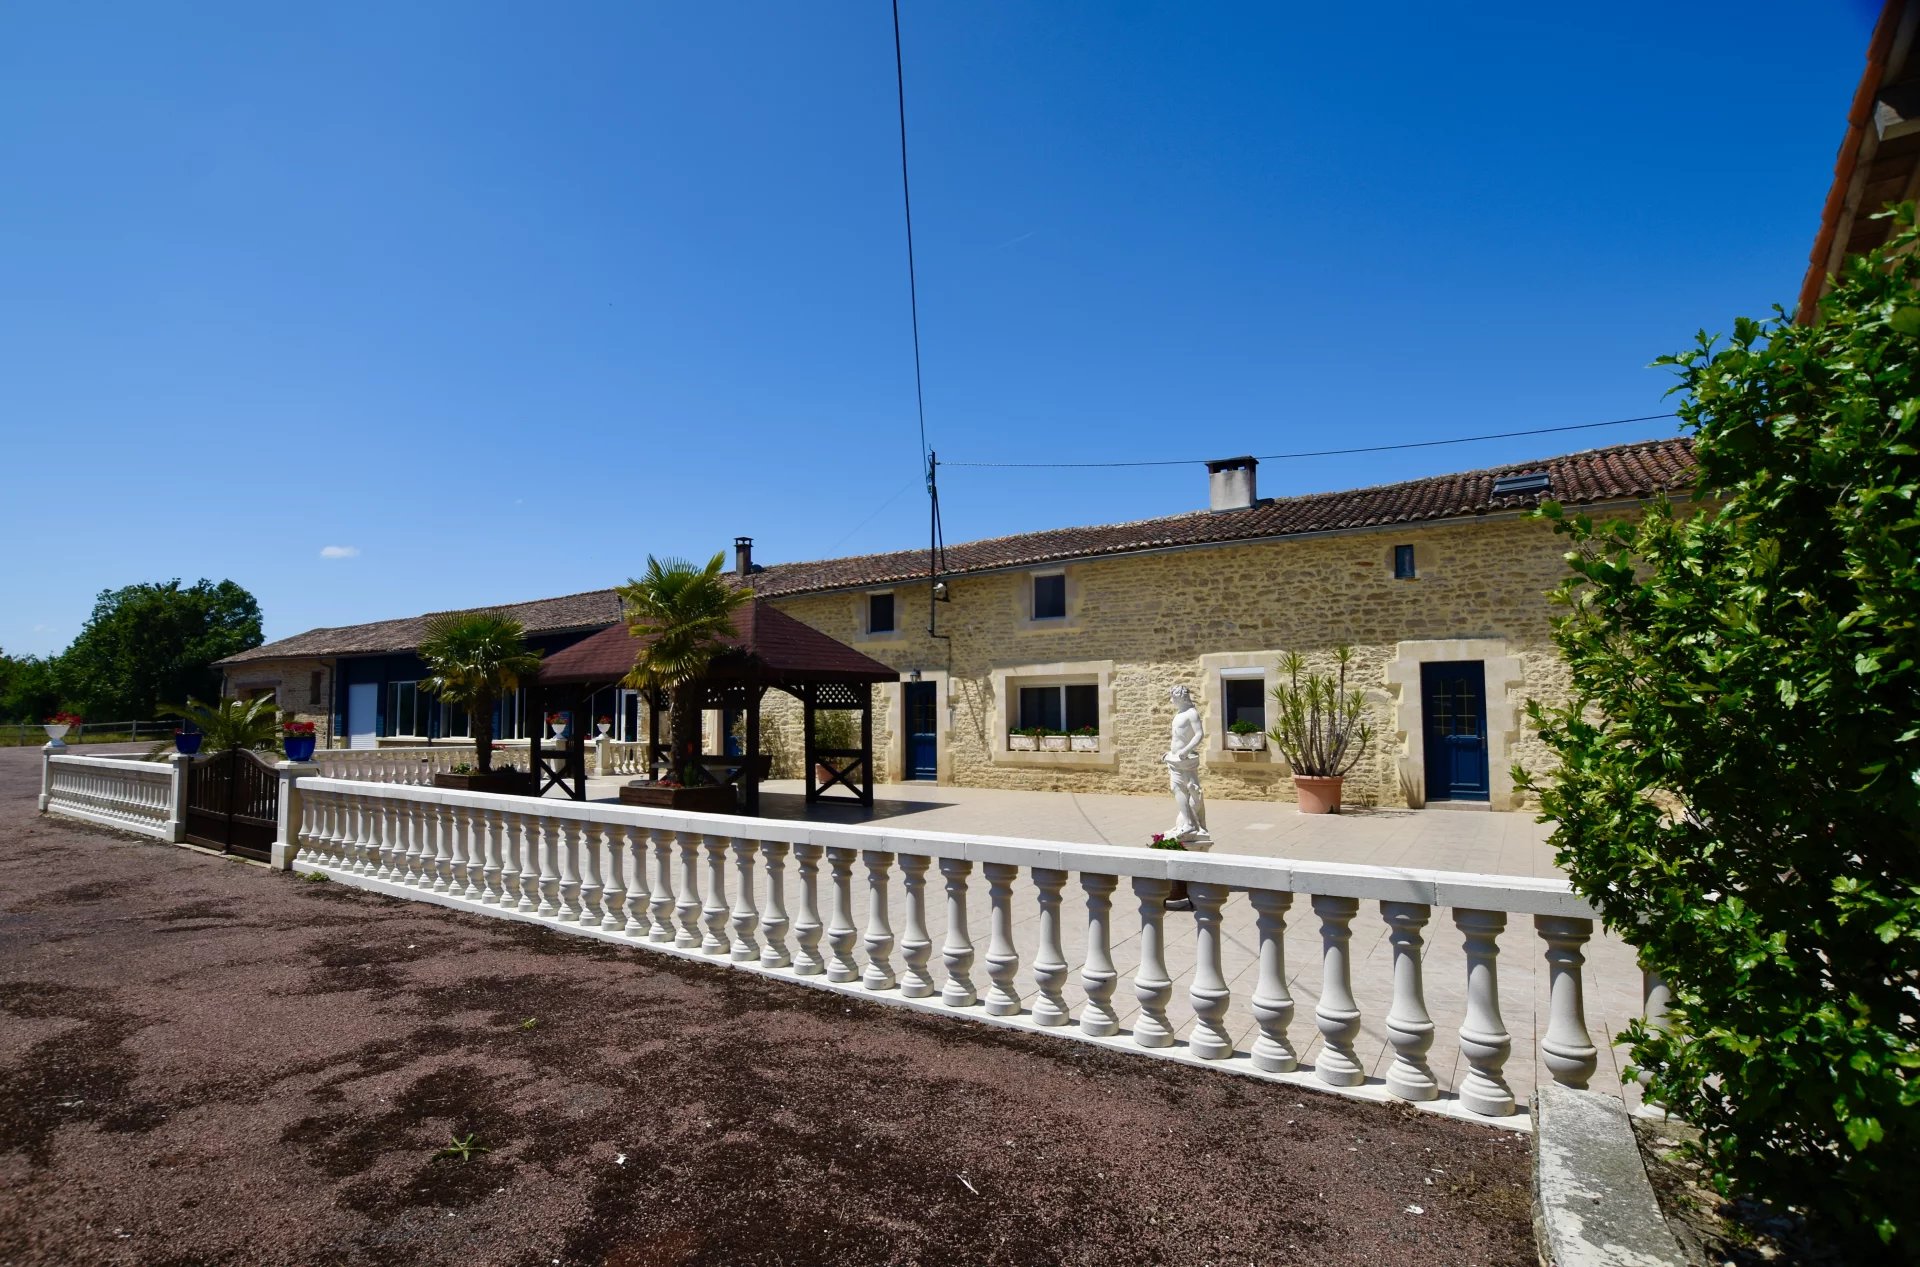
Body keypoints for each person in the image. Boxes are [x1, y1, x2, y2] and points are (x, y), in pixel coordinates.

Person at [1164, 684, 1209, 841]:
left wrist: (1186, 751)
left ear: (1181, 698)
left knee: (1190, 790)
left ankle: (1191, 824)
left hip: (1185, 760)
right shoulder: (1179, 713)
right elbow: (1177, 737)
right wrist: (1170, 753)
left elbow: (1199, 735)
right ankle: (1187, 823)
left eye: (1174, 698)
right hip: (1175, 758)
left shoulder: (1191, 713)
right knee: (1177, 788)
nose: (1171, 701)